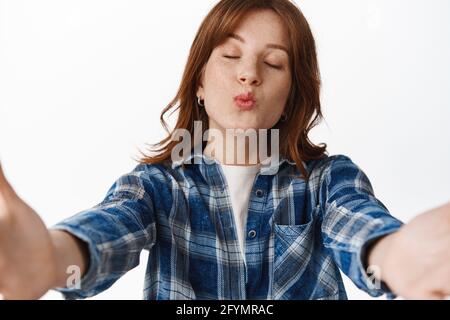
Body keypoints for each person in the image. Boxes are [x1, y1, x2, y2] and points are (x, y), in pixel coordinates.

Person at [0, 0, 449, 300]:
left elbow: (359, 224)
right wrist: (52, 259)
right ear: (198, 81)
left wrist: (393, 257)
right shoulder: (157, 185)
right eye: (230, 56)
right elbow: (109, 227)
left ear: (293, 95)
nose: (249, 74)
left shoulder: (327, 180)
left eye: (273, 63)